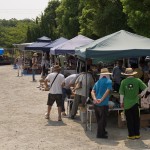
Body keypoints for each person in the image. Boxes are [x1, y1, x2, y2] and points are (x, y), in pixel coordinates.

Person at [119, 68, 147, 140]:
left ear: (126, 74)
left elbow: (121, 93)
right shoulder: (137, 80)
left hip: (127, 104)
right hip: (135, 103)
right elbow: (146, 88)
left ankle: (131, 135)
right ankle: (137, 134)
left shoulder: (123, 82)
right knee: (136, 119)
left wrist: (121, 102)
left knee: (129, 120)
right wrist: (140, 95)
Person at [91, 68, 112, 139]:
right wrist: (102, 99)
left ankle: (102, 131)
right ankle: (100, 134)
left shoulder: (97, 82)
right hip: (103, 104)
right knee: (103, 120)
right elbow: (108, 91)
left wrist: (95, 99)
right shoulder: (109, 81)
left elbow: (92, 91)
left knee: (99, 119)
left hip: (96, 103)